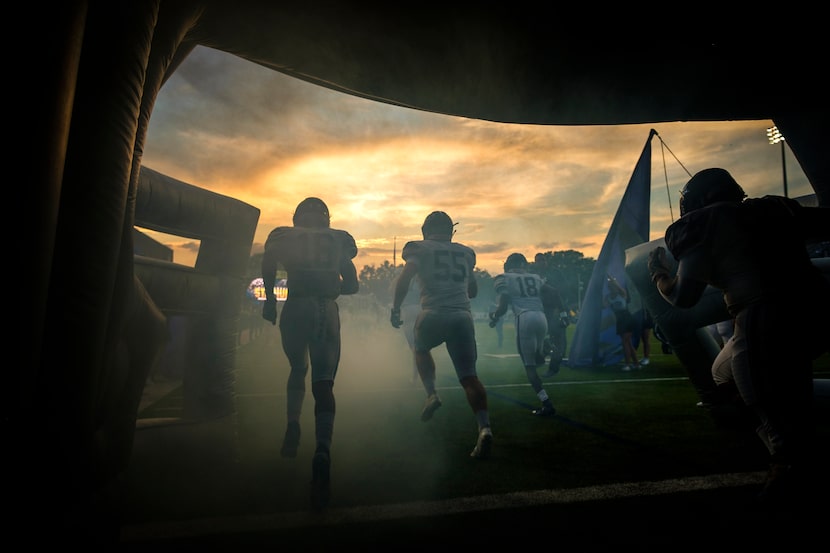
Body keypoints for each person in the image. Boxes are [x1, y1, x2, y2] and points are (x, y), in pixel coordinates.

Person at [647, 167, 830, 503]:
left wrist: (658, 273)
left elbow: (683, 297)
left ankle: (790, 473)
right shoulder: (774, 207)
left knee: (776, 421)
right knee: (724, 372)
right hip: (813, 311)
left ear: (699, 201)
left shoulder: (705, 222)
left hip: (764, 315)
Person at [261, 197, 360, 511]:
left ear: (297, 217)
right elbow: (353, 284)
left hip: (295, 306)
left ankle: (293, 423)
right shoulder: (339, 239)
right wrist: (332, 288)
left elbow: (268, 262)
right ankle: (322, 450)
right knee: (323, 385)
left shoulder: (283, 236)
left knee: (296, 369)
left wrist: (269, 302)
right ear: (326, 219)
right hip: (324, 309)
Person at [390, 211, 493, 459]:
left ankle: (431, 394)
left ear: (425, 230)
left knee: (420, 348)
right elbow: (474, 291)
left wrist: (395, 308)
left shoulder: (419, 249)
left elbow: (405, 278)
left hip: (433, 312)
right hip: (462, 316)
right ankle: (484, 427)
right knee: (469, 377)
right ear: (451, 231)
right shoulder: (465, 253)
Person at [489, 253, 557, 416]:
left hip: (524, 317)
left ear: (508, 264)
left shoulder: (503, 277)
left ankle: (546, 403)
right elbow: (553, 292)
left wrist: (495, 317)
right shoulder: (535, 277)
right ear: (523, 264)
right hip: (541, 318)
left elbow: (504, 304)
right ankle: (547, 350)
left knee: (530, 367)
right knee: (537, 358)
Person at [604, 274, 640, 371]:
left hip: (627, 319)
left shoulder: (622, 293)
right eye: (610, 287)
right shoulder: (608, 297)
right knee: (628, 343)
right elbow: (604, 306)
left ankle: (627, 364)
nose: (612, 288)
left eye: (613, 286)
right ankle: (636, 364)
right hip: (620, 320)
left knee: (625, 342)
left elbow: (619, 287)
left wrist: (611, 277)